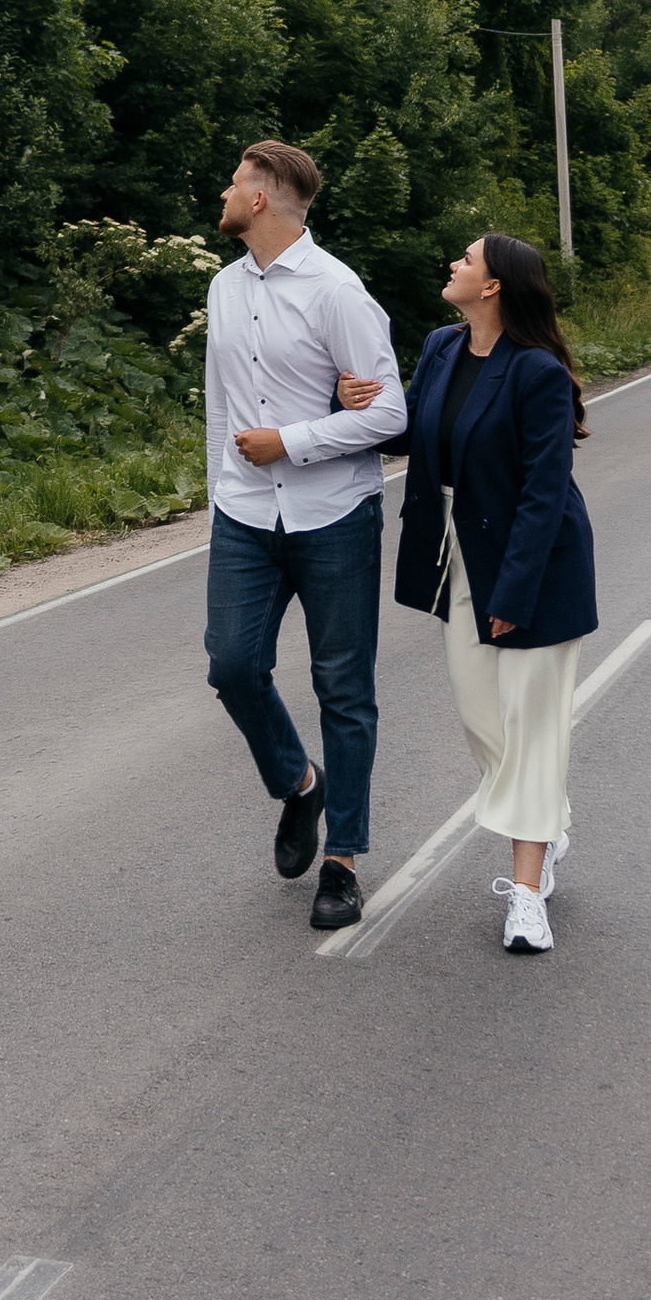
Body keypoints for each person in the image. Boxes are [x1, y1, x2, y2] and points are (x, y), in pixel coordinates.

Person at [198, 139, 407, 933]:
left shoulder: (337, 291)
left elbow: (390, 414)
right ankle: (299, 784)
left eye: (234, 183)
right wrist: (218, 496)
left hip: (334, 516)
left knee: (343, 690)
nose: (224, 194)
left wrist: (290, 441)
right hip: (245, 516)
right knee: (232, 665)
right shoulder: (224, 287)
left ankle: (343, 863)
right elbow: (220, 404)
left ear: (261, 198)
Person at [390, 231, 597, 956]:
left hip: (534, 566)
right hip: (458, 556)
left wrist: (513, 592)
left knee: (531, 726)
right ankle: (549, 822)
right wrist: (346, 402)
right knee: (484, 722)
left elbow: (544, 493)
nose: (453, 263)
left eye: (467, 259)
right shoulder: (442, 348)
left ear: (494, 285)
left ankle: (528, 895)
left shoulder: (538, 372)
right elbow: (410, 434)